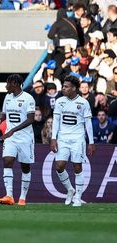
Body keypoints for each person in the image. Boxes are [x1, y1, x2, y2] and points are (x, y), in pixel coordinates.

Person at [51, 75, 95, 207]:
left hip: (78, 138)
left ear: (74, 88)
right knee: (59, 166)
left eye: (66, 86)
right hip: (63, 138)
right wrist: (53, 138)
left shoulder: (83, 103)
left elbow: (88, 123)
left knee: (77, 166)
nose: (63, 88)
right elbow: (56, 121)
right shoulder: (59, 101)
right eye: (63, 86)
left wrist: (91, 142)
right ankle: (70, 189)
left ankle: (78, 197)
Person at [0, 74, 36, 206]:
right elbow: (4, 113)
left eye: (8, 83)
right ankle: (9, 195)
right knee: (7, 161)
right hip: (10, 138)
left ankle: (22, 198)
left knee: (25, 167)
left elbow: (30, 119)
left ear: (15, 84)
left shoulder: (28, 98)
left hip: (25, 138)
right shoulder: (7, 97)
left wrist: (13, 130)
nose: (6, 86)